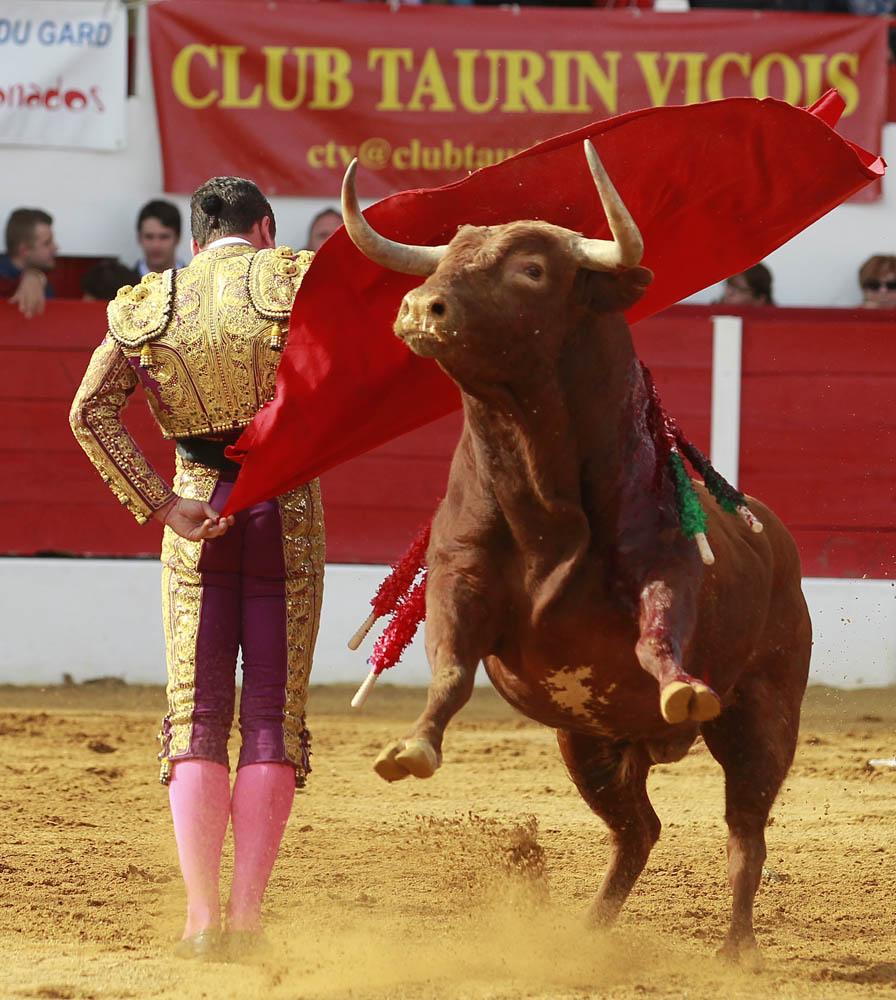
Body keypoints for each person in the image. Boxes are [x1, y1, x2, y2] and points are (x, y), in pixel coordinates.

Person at [70, 177, 324, 962]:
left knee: (199, 714)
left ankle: (201, 920)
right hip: (284, 511)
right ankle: (247, 922)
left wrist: (161, 504)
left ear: (190, 237)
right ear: (267, 227)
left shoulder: (149, 304)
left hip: (195, 516)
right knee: (273, 716)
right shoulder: (295, 279)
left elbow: (89, 411)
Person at [0, 207, 58, 318]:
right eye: (47, 243)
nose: (55, 247)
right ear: (24, 250)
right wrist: (32, 276)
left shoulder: (40, 278)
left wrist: (35, 275)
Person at [134, 198, 185, 277]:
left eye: (164, 237)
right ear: (139, 238)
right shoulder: (121, 285)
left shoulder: (198, 286)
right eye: (149, 237)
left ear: (178, 238)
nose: (156, 245)